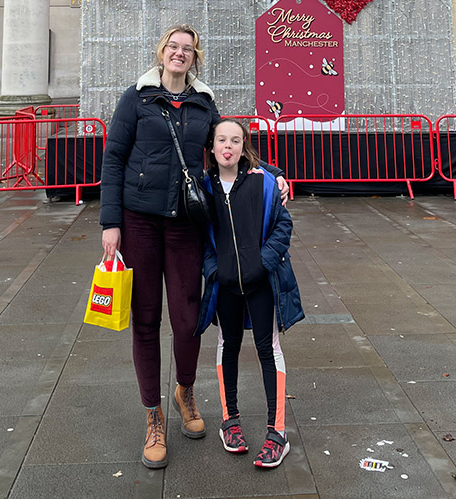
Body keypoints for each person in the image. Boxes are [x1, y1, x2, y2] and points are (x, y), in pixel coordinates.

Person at [99, 26, 288, 470]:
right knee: (145, 320)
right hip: (139, 221)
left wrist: (273, 174)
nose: (179, 54)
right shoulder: (136, 98)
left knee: (188, 321)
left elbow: (229, 145)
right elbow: (113, 158)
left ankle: (185, 390)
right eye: (173, 47)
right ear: (161, 53)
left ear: (194, 57)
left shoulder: (203, 103)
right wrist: (111, 223)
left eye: (187, 49)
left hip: (185, 225)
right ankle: (154, 416)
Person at [197, 119, 304, 470]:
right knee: (227, 346)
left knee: (267, 348)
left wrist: (264, 262)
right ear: (211, 147)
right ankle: (231, 422)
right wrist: (213, 270)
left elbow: (282, 224)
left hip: (262, 283)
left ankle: (278, 434)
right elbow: (199, 238)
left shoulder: (266, 182)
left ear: (245, 146)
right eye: (221, 140)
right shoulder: (203, 188)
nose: (228, 146)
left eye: (236, 140)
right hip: (225, 285)